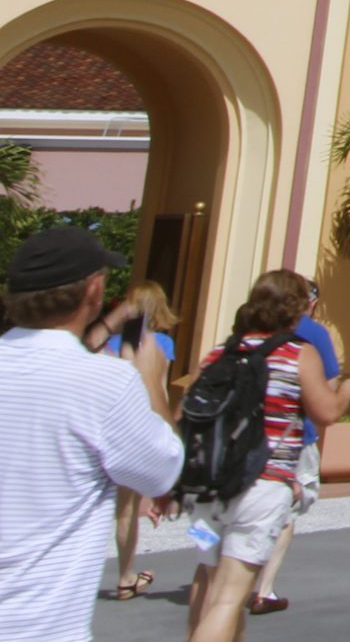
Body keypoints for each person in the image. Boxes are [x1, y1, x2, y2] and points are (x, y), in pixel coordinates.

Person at [0, 226, 185, 640]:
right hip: (40, 627)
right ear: (95, 291)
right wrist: (151, 381)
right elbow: (163, 470)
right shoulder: (105, 382)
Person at [183, 269, 350, 642]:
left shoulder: (223, 351)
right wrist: (348, 391)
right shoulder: (296, 352)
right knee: (229, 599)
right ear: (296, 308)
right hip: (260, 487)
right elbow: (325, 412)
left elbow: (189, 409)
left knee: (208, 578)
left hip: (205, 493)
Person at [248, 278, 344, 615]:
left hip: (245, 439)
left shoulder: (245, 333)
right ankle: (264, 588)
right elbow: (328, 395)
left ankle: (231, 577)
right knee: (285, 511)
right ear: (310, 302)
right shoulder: (313, 334)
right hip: (291, 438)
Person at [97, 279, 179, 603]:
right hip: (138, 425)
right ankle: (125, 575)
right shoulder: (160, 343)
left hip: (108, 426)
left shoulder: (108, 343)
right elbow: (158, 388)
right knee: (127, 508)